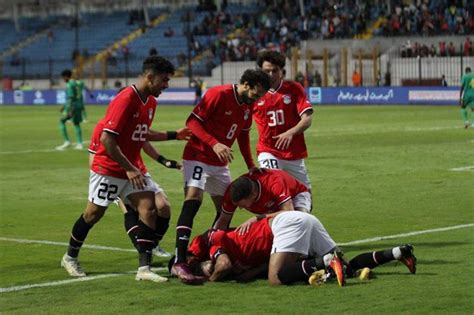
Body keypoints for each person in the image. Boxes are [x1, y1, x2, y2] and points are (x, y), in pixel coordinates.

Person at [60, 56, 175, 283]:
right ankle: (70, 257)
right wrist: (130, 168)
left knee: (150, 208)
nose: (167, 85)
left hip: (130, 168)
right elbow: (107, 139)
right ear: (150, 77)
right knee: (93, 214)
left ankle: (144, 268)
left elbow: (141, 135)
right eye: (164, 80)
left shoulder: (150, 101)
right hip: (110, 168)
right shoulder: (126, 99)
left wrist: (169, 141)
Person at [171, 69, 272, 284]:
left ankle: (203, 251)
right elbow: (192, 122)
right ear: (245, 84)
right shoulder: (218, 94)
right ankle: (179, 262)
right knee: (193, 201)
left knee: (226, 210)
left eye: (262, 95)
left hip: (219, 163)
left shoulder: (248, 105)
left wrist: (251, 165)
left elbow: (243, 136)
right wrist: (214, 143)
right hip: (198, 155)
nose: (258, 98)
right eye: (257, 93)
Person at [190, 211, 417, 287]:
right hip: (300, 218)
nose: (211, 268)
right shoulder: (237, 252)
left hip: (285, 224)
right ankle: (398, 252)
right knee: (346, 267)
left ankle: (325, 263)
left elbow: (223, 265)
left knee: (276, 279)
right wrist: (250, 273)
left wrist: (210, 281)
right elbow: (257, 261)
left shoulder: (216, 243)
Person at [88, 118, 191, 257]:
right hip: (114, 174)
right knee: (130, 210)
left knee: (163, 206)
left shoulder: (136, 119)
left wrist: (164, 160)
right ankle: (144, 255)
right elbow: (93, 155)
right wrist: (105, 180)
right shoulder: (103, 126)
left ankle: (152, 245)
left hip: (137, 171)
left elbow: (144, 142)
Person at [254, 51, 314, 200]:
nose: (270, 74)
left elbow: (307, 119)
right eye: (266, 71)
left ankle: (299, 220)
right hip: (267, 150)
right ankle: (271, 221)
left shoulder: (294, 89)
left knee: (305, 197)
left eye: (274, 70)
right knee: (275, 189)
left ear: (281, 71)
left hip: (293, 152)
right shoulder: (255, 93)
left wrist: (290, 133)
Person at [213, 169, 311, 232]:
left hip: (296, 195)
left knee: (299, 219)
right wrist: (212, 239)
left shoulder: (274, 183)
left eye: (243, 205)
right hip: (274, 206)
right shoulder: (232, 192)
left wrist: (258, 218)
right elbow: (223, 221)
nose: (240, 208)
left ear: (253, 194)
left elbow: (289, 211)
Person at [56, 70, 83, 150]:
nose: (63, 79)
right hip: (78, 105)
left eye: (63, 78)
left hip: (72, 107)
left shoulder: (69, 84)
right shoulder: (75, 83)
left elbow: (70, 98)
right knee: (76, 123)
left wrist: (69, 109)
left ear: (66, 77)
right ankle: (79, 143)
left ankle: (67, 141)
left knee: (61, 121)